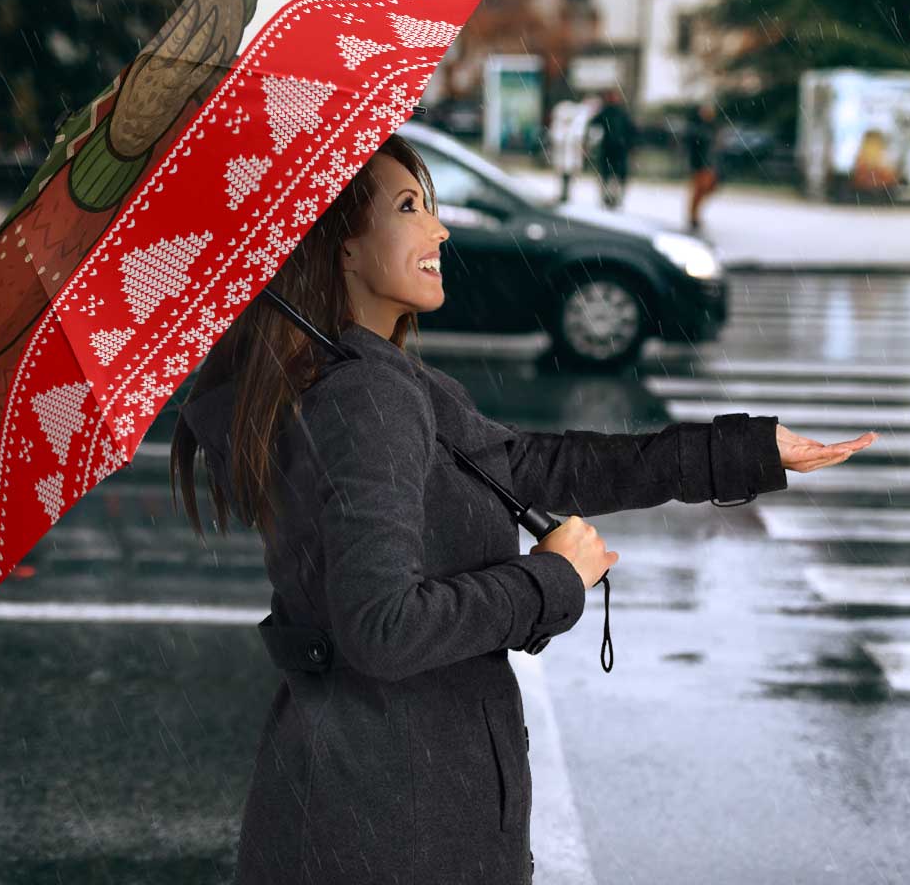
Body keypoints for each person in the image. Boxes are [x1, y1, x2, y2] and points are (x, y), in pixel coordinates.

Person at [171, 131, 874, 885]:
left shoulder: (371, 379)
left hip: (373, 801)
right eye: (409, 207)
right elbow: (381, 629)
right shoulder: (364, 397)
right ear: (340, 246)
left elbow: (535, 465)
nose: (439, 229)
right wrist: (550, 580)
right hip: (394, 822)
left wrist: (745, 452)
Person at [587, 87, 637, 210]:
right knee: (608, 175)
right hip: (610, 149)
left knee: (615, 176)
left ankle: (614, 198)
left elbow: (631, 131)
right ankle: (608, 198)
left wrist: (630, 145)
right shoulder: (607, 112)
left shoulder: (620, 113)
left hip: (618, 149)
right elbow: (593, 125)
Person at [685, 100, 721, 232]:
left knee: (707, 189)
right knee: (699, 190)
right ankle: (693, 216)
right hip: (700, 164)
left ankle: (695, 215)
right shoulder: (697, 128)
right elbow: (694, 147)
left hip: (709, 164)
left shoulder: (712, 127)